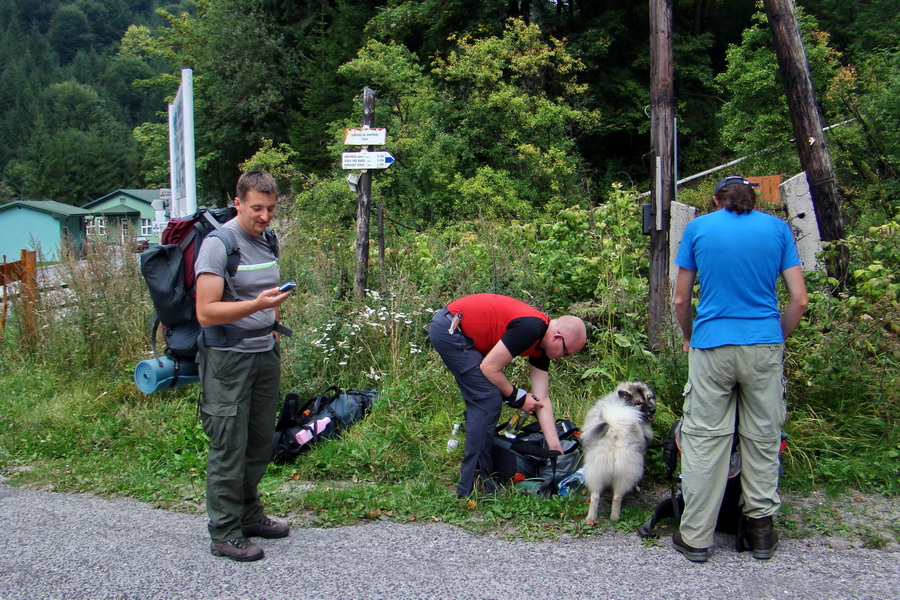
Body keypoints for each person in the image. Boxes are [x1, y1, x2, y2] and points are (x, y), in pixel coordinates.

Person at [671, 175, 809, 563]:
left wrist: (689, 335)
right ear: (755, 198)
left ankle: (696, 538)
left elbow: (681, 299)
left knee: (704, 439)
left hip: (711, 344)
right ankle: (760, 534)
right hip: (763, 344)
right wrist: (775, 337)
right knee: (762, 436)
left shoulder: (698, 229)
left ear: (717, 199)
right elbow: (798, 299)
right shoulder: (777, 229)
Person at [194, 171, 294, 562]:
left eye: (270, 209)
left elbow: (265, 293)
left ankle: (249, 515)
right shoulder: (219, 245)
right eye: (256, 208)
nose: (265, 216)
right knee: (228, 446)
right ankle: (223, 532)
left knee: (257, 444)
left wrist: (269, 328)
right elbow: (206, 312)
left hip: (263, 354)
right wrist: (258, 307)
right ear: (237, 203)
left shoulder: (268, 239)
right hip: (227, 361)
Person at [429, 293, 587, 497]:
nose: (563, 358)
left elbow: (542, 399)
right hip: (451, 328)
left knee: (486, 396)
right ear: (558, 337)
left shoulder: (541, 345)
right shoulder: (531, 328)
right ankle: (473, 486)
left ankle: (479, 473)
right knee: (487, 398)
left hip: (460, 332)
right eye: (566, 353)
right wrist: (518, 397)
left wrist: (555, 449)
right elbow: (489, 368)